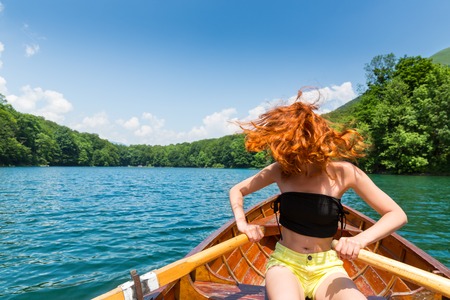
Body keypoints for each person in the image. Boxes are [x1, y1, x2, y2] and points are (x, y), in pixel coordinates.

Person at [229, 90, 407, 300]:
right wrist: (242, 223)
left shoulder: (345, 172)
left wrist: (359, 240)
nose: (289, 156)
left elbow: (396, 214)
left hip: (327, 267)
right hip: (286, 264)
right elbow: (237, 190)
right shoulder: (280, 170)